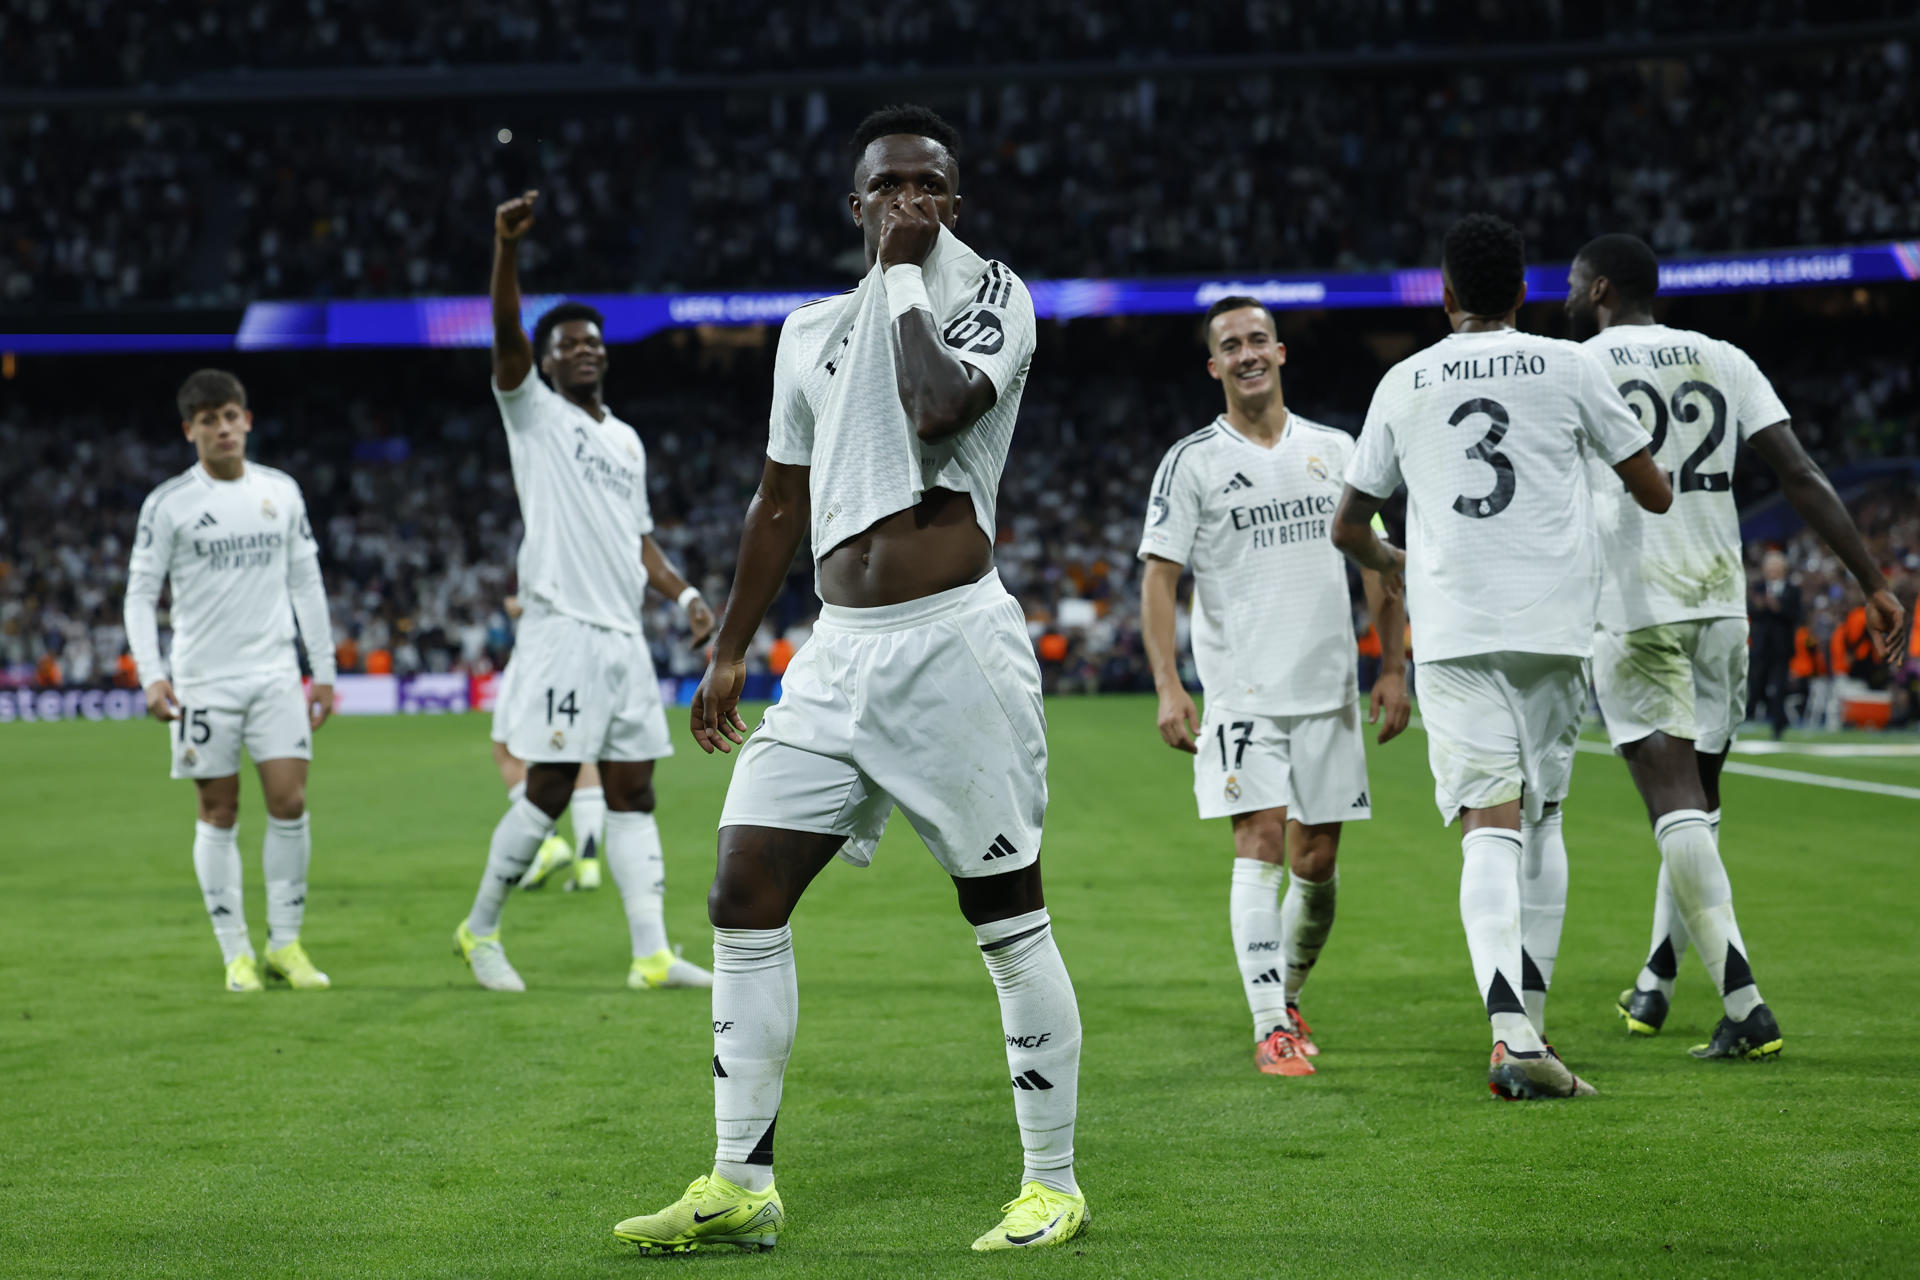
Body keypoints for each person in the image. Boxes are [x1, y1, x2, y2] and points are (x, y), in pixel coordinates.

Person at [615, 104, 1086, 1255]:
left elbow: (937, 406)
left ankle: (1053, 1182)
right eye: (889, 188)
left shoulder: (993, 295)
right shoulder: (806, 331)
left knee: (1005, 916)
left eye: (930, 188)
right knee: (742, 888)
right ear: (855, 202)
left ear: (954, 208)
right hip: (835, 653)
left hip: (953, 646)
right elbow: (779, 497)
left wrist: (909, 280)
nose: (909, 203)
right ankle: (740, 1180)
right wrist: (731, 643)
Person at [1331, 214, 1672, 1099]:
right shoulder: (1574, 365)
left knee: (1488, 823)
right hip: (1555, 625)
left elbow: (1347, 525)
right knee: (1545, 819)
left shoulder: (1404, 381)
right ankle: (1528, 1025)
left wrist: (1391, 559)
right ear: (1524, 293)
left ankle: (1512, 1036)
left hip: (1453, 630)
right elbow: (1655, 490)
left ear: (1445, 297)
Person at [1566, 232, 1908, 1056]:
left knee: (1674, 806)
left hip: (1636, 602)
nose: (1569, 297)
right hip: (1721, 604)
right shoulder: (1724, 355)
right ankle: (1654, 982)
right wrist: (1873, 580)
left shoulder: (1578, 364)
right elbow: (1798, 472)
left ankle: (1746, 1003)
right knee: (1698, 808)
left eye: (1577, 285)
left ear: (1603, 289)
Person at [1139, 296, 1410, 1079]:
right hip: (1243, 692)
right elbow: (1159, 580)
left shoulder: (1335, 449)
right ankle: (1269, 1027)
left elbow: (1379, 564)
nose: (1247, 352)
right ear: (1214, 365)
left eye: (1259, 338)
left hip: (1328, 690)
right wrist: (1169, 685)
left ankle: (1283, 992)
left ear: (1282, 352)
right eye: (1232, 344)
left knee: (1317, 864)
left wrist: (1393, 666)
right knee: (1257, 843)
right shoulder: (1192, 460)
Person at [455, 190, 716, 994]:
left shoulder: (626, 440)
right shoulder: (532, 414)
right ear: (545, 362)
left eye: (593, 343)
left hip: (622, 638)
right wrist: (506, 247)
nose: (585, 352)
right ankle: (480, 929)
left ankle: (650, 955)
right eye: (568, 344)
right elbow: (504, 334)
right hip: (562, 629)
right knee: (551, 786)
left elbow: (637, 539)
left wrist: (684, 597)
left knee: (636, 788)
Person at [124, 369, 337, 994]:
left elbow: (307, 583)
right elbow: (140, 595)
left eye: (232, 416)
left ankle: (286, 944)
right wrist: (152, 674)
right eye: (209, 419)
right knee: (219, 811)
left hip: (275, 675)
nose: (223, 428)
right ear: (189, 430)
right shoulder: (169, 505)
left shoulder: (281, 493)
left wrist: (321, 669)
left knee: (290, 801)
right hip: (203, 682)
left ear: (247, 420)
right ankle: (235, 951)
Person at [490, 594, 606, 893]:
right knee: (579, 749)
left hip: (540, 655)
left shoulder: (551, 547)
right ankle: (588, 861)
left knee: (506, 750)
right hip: (585, 653)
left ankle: (548, 841)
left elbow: (550, 594)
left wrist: (520, 604)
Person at [1747, 551, 1803, 740]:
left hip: (1782, 648)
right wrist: (1760, 606)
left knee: (1779, 688)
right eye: (1769, 567)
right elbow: (1751, 612)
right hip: (1761, 647)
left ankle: (1778, 726)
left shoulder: (1793, 589)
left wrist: (1777, 607)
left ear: (1783, 569)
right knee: (1757, 686)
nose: (1771, 571)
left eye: (1775, 567)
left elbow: (1796, 616)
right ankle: (1775, 717)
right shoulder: (1758, 587)